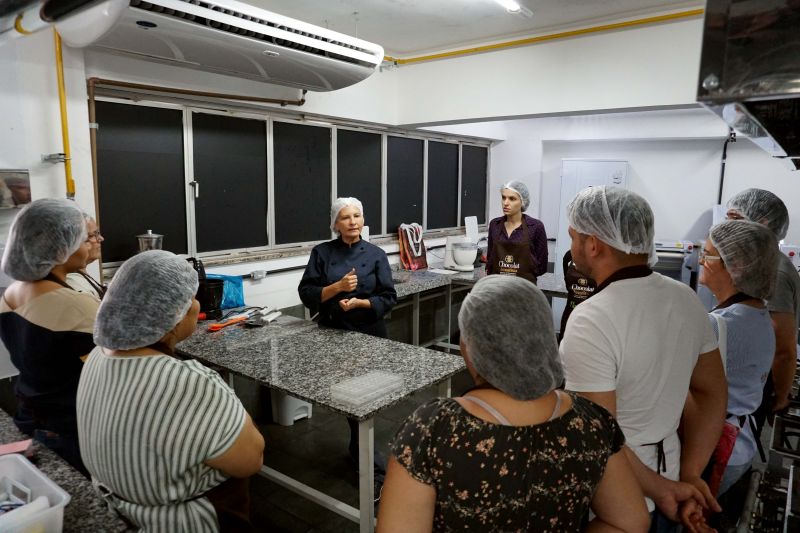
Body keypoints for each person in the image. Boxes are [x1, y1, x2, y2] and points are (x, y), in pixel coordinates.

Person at [378, 275, 650, 532]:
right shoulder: (591, 421)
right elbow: (631, 522)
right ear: (544, 338)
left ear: (470, 348)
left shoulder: (433, 430)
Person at [559, 186, 727, 532]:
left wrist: (658, 487)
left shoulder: (593, 318)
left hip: (619, 495)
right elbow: (712, 393)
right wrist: (691, 472)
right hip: (674, 478)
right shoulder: (686, 299)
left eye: (573, 236)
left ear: (593, 244)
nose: (571, 246)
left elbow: (600, 435)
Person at [77, 250, 265, 532]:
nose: (196, 304)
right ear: (171, 315)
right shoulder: (190, 382)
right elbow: (250, 460)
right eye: (190, 298)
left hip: (117, 508)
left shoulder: (95, 358)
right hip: (186, 522)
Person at [298, 197, 397, 491]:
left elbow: (389, 297)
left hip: (369, 334)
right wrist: (337, 288)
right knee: (349, 400)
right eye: (345, 217)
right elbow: (306, 292)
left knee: (365, 400)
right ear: (335, 224)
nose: (353, 221)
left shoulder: (377, 254)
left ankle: (374, 471)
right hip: (333, 334)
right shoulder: (322, 253)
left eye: (357, 216)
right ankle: (362, 454)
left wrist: (362, 301)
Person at [0, 198, 96, 473]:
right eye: (82, 239)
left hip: (31, 416)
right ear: (60, 248)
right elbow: (108, 372)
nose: (88, 245)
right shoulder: (74, 304)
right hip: (71, 428)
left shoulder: (12, 292)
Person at [698, 220, 777, 519]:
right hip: (740, 443)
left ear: (736, 266)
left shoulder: (724, 324)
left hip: (717, 447)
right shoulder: (755, 312)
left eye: (708, 255)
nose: (701, 261)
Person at [726, 188, 800, 417]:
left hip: (760, 382)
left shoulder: (773, 272)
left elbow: (784, 347)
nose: (728, 227)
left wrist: (780, 394)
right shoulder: (758, 264)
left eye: (736, 219)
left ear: (763, 224)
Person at [485, 180, 548, 283]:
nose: (505, 203)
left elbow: (542, 265)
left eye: (512, 199)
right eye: (503, 197)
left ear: (522, 201)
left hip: (524, 290)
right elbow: (490, 259)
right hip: (497, 288)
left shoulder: (535, 226)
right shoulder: (494, 225)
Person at [559, 249, 597, 341]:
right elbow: (565, 263)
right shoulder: (571, 254)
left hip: (592, 316)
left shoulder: (600, 259)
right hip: (570, 311)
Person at [66, 214, 106, 300]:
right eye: (92, 235)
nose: (101, 238)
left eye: (98, 233)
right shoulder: (74, 284)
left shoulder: (80, 276)